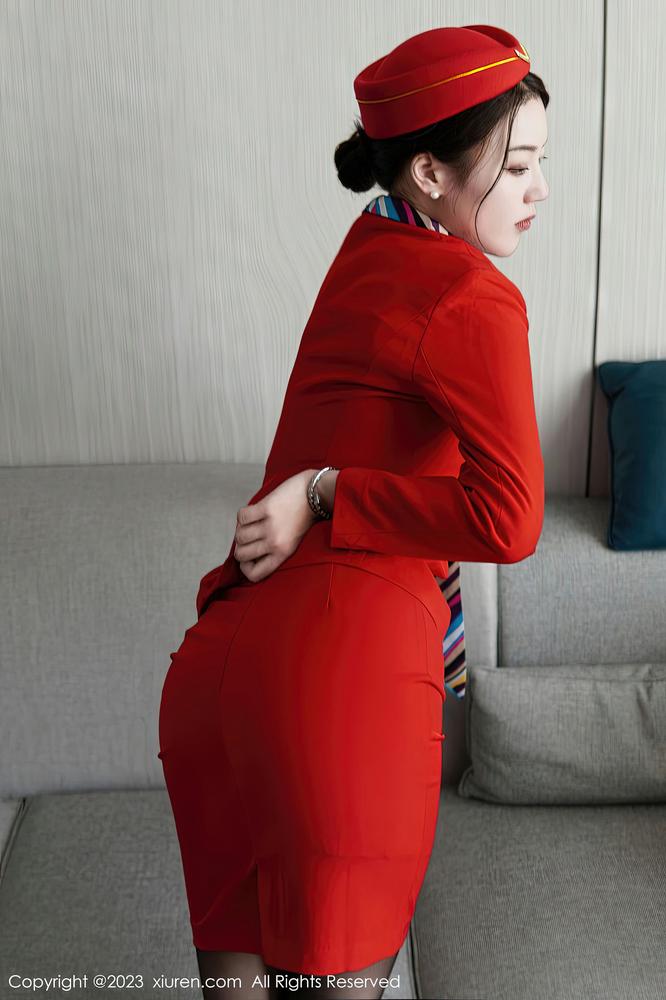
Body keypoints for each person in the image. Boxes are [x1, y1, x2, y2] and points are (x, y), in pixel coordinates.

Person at [158, 23, 549, 999]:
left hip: (220, 677)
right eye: (518, 167)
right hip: (340, 688)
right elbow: (510, 522)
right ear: (430, 172)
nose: (540, 189)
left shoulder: (370, 245)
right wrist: (328, 489)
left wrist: (318, 486)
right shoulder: (471, 293)